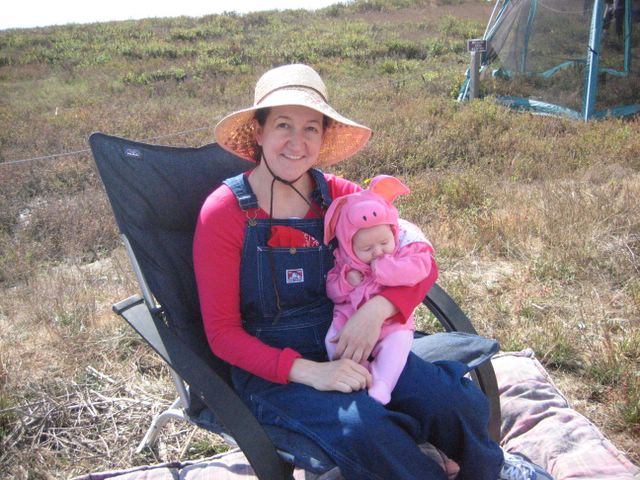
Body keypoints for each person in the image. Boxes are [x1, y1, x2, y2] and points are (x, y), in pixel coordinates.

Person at [193, 63, 554, 480]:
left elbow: (421, 261)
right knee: (364, 430)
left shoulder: (343, 198)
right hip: (274, 373)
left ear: (323, 137)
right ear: (259, 132)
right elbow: (222, 335)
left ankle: (492, 470)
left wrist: (375, 311)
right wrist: (314, 373)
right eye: (283, 125)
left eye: (311, 128)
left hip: (355, 345)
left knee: (447, 399)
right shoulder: (224, 213)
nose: (297, 142)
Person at [323, 174, 434, 405]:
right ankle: (357, 374)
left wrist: (378, 309)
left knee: (454, 400)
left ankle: (382, 383)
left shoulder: (346, 194)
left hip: (391, 324)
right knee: (333, 341)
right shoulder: (346, 261)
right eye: (367, 249)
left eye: (384, 243)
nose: (378, 252)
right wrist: (346, 282)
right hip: (342, 323)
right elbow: (333, 288)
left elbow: (425, 266)